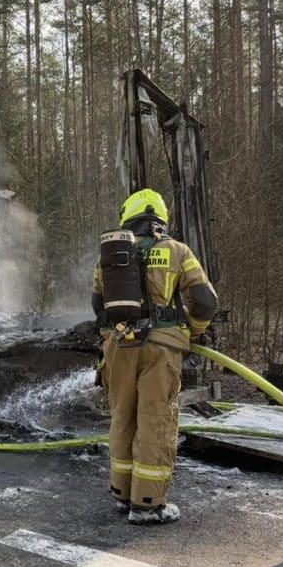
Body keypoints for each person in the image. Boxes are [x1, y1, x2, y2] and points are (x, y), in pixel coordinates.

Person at [92, 189, 217, 525]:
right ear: (160, 219)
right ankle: (148, 504)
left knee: (122, 418)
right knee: (156, 422)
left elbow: (97, 306)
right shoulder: (178, 252)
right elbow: (205, 300)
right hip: (161, 349)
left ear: (128, 217)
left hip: (118, 346)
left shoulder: (111, 256)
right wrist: (191, 330)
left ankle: (121, 494)